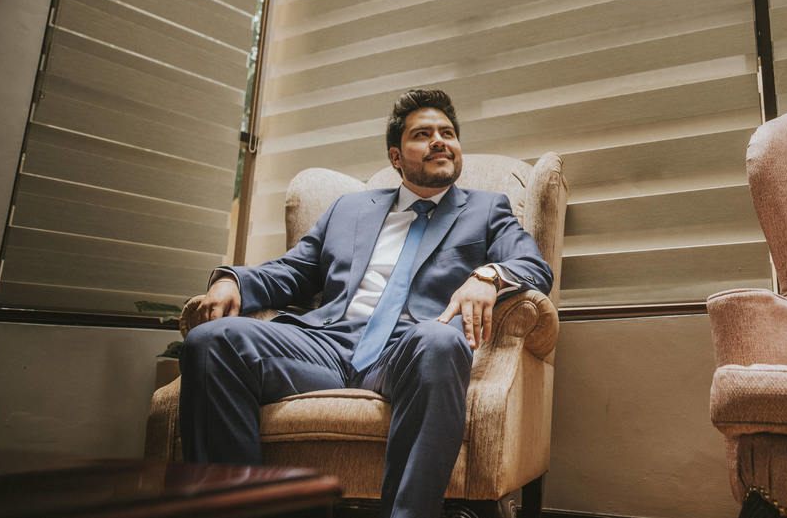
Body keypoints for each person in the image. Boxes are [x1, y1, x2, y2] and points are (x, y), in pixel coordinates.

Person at [179, 89, 553, 518]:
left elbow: (532, 265)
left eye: (447, 132)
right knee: (211, 342)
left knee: (439, 341)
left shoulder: (486, 210)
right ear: (396, 157)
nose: (439, 140)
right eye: (422, 134)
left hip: (408, 351)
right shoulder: (348, 209)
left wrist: (488, 275)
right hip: (327, 344)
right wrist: (233, 280)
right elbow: (293, 271)